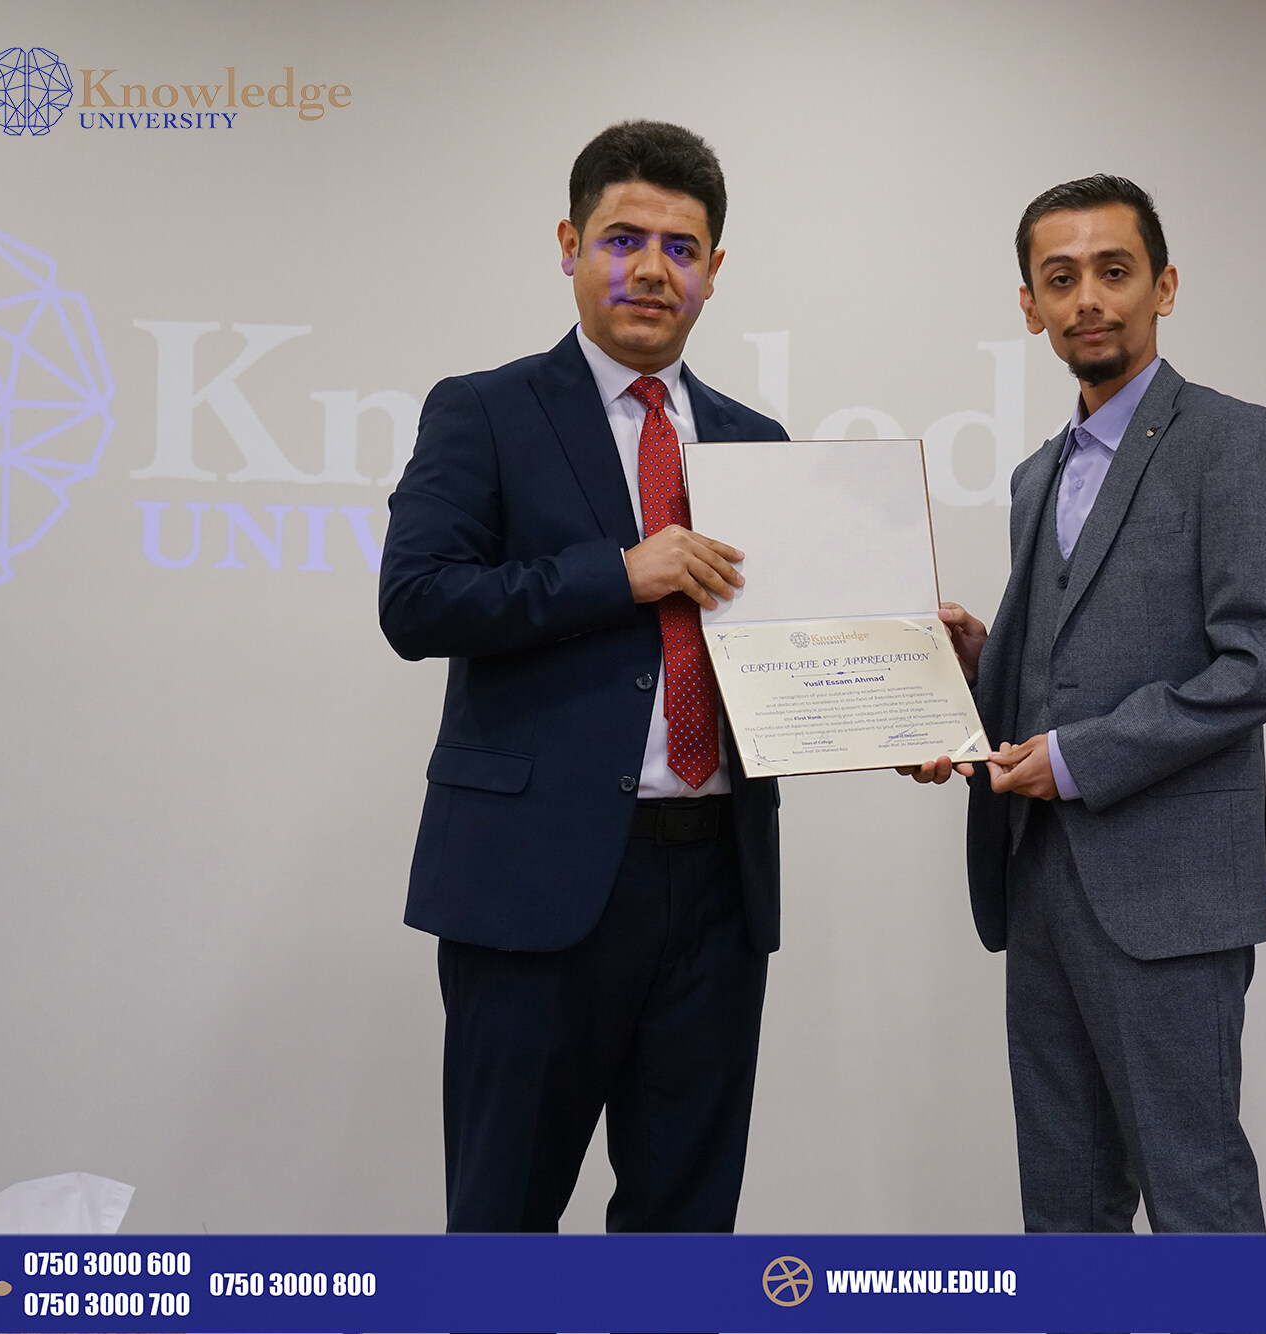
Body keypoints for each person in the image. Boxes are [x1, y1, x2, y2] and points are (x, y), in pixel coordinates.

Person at [379, 120, 786, 1234]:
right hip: (533, 885)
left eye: (680, 248)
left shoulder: (758, 439)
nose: (652, 269)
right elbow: (416, 600)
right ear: (569, 246)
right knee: (504, 1223)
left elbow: (783, 648)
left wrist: (888, 659)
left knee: (685, 1229)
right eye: (622, 239)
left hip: (719, 883)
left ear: (713, 270)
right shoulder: (484, 410)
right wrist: (618, 571)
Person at [910, 174, 1266, 1232]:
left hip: (1167, 893)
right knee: (1063, 1209)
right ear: (1029, 306)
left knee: (1194, 1192)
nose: (1087, 298)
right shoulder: (1032, 477)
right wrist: (973, 670)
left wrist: (1079, 757)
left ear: (1163, 287)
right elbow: (1063, 661)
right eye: (1060, 279)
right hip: (1038, 876)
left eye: (1113, 271)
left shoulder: (1233, 440)